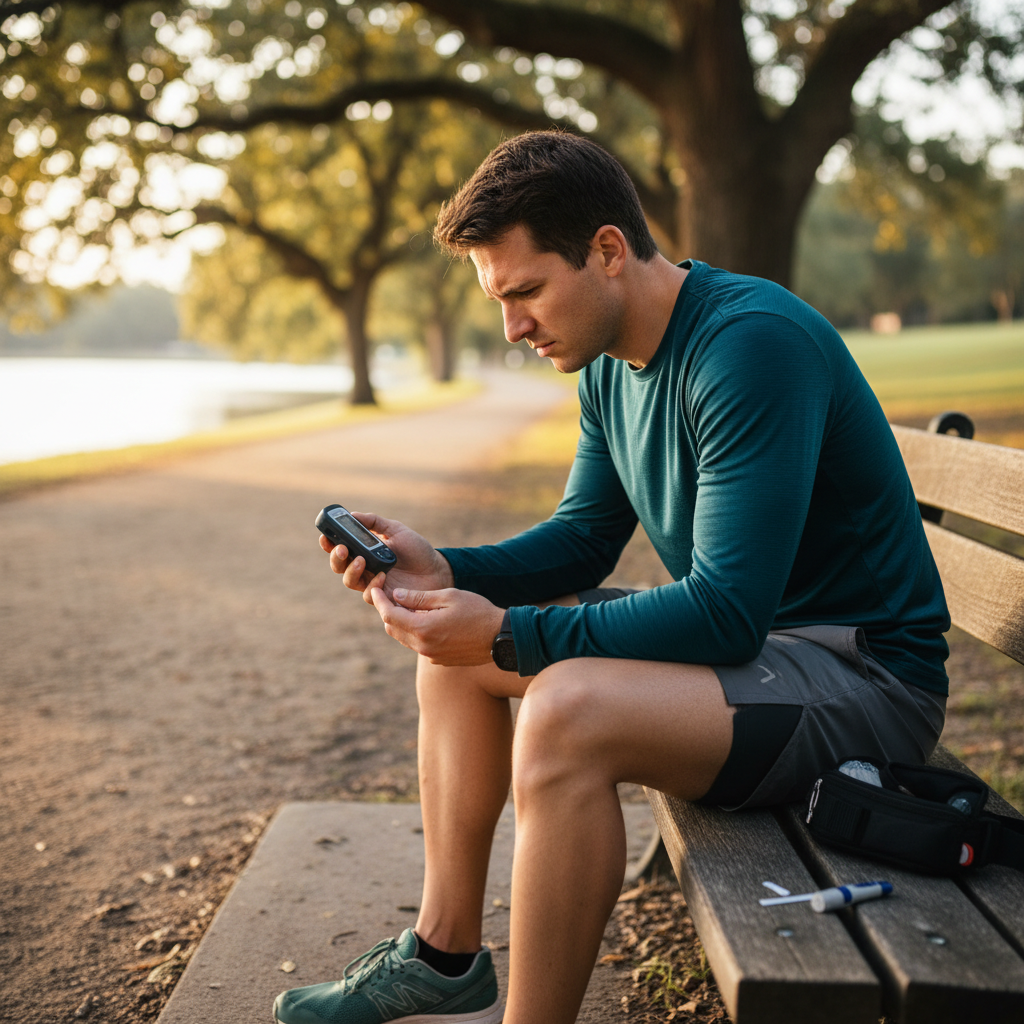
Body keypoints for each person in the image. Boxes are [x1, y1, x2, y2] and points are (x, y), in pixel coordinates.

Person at [273, 130, 950, 1024]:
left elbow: (727, 612)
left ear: (607, 250)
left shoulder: (749, 345)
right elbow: (585, 538)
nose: (513, 328)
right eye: (499, 301)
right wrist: (449, 570)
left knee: (563, 707)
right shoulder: (610, 365)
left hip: (866, 681)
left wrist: (509, 632)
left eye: (526, 292)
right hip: (764, 661)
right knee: (452, 648)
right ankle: (443, 954)